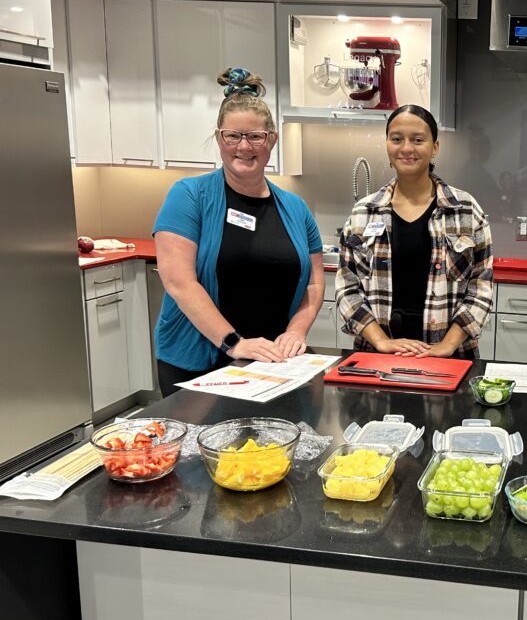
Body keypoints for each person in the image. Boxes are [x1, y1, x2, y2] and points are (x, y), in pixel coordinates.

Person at [152, 67, 324, 396]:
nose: (244, 146)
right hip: (201, 363)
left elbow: (315, 281)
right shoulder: (189, 196)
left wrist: (296, 332)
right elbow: (178, 281)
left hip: (272, 365)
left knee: (269, 449)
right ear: (219, 138)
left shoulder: (296, 208)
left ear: (271, 140)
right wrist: (235, 343)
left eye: (255, 136)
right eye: (233, 136)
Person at [337, 104, 493, 358]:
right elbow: (347, 287)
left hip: (450, 357)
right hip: (377, 357)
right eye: (397, 139)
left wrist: (447, 345)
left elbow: (480, 287)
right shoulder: (363, 213)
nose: (407, 148)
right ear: (387, 145)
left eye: (418, 139)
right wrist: (381, 341)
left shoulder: (464, 210)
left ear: (434, 148)